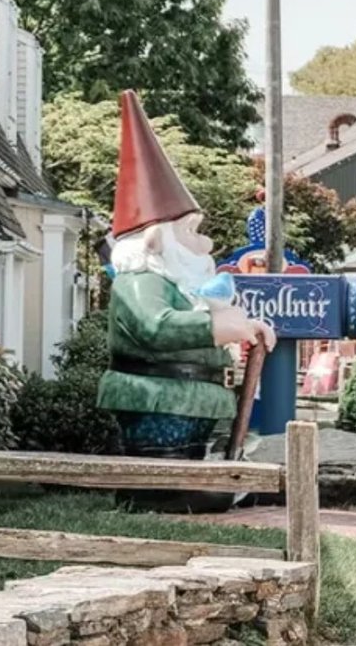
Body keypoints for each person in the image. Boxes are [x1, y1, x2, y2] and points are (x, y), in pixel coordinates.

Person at [96, 91, 275, 474]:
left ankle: (187, 488)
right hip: (157, 397)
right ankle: (162, 493)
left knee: (187, 461)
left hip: (190, 397)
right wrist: (213, 326)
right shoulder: (142, 282)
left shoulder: (179, 283)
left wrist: (245, 327)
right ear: (157, 240)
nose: (206, 243)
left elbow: (200, 320)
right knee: (163, 468)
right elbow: (156, 327)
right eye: (192, 232)